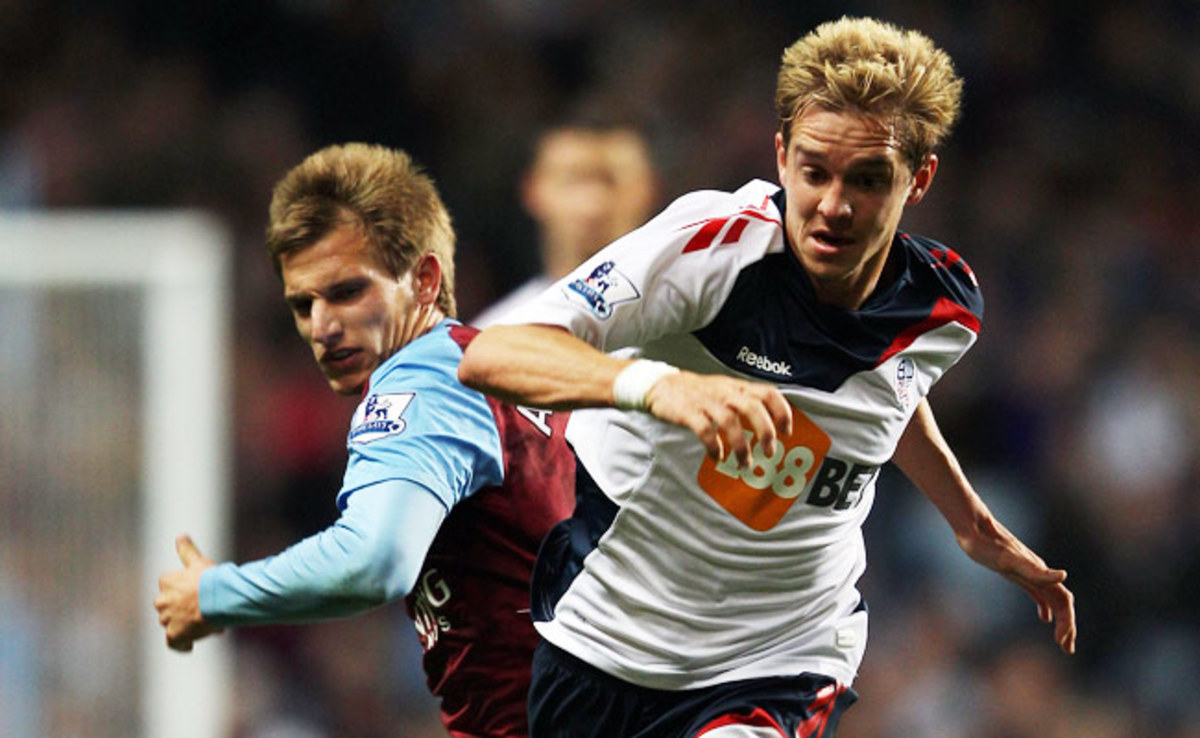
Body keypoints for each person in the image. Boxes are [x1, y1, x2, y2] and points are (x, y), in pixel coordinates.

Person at [457, 16, 1077, 738]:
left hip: (782, 659)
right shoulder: (713, 250)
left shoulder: (943, 308)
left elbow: (887, 392)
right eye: (815, 171)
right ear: (781, 156)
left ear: (920, 178)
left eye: (869, 180)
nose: (835, 206)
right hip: (603, 639)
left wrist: (972, 526)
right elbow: (493, 355)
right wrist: (664, 388)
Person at [154, 143, 575, 738]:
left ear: (425, 279)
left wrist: (215, 593)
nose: (321, 326)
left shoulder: (420, 382)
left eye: (347, 291)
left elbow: (375, 560)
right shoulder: (494, 368)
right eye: (304, 304)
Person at [470, 107, 660, 327]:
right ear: (533, 190)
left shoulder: (699, 323)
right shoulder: (492, 337)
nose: (593, 204)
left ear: (651, 189)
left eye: (611, 181)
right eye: (573, 181)